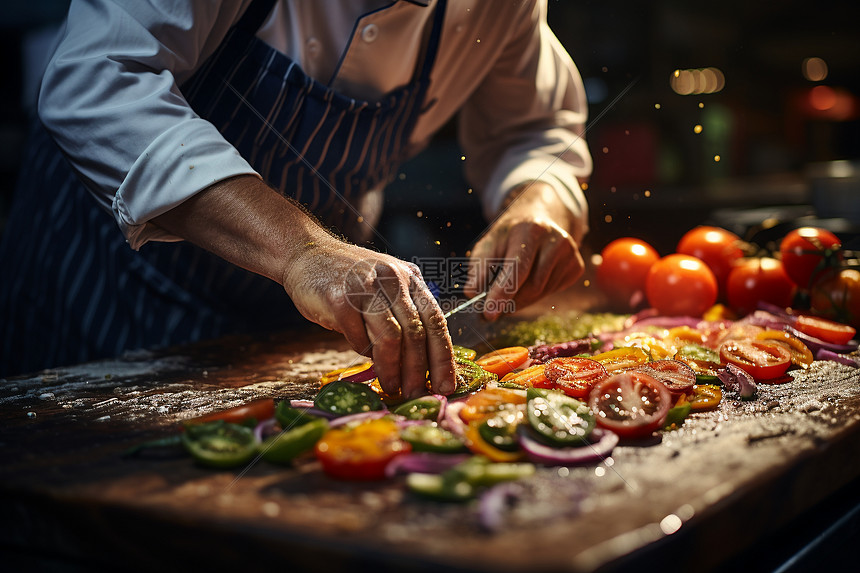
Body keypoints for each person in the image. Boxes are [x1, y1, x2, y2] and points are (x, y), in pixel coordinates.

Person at [0, 0, 592, 397]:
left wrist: (538, 198)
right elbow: (98, 78)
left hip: (291, 325)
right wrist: (302, 250)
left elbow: (534, 131)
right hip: (98, 290)